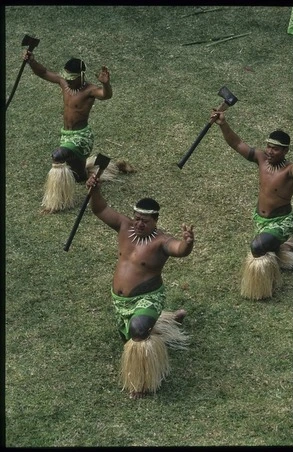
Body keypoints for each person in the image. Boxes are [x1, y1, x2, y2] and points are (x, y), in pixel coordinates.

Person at [86, 171, 194, 399]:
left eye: (145, 221)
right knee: (130, 336)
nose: (139, 224)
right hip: (121, 302)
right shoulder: (125, 227)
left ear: (155, 220)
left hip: (148, 297)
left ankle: (143, 383)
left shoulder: (162, 241)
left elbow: (179, 250)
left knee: (138, 332)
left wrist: (187, 243)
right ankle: (168, 320)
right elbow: (100, 209)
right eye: (136, 218)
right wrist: (95, 190)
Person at [23, 51, 135, 213]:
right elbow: (43, 72)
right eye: (66, 77)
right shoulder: (64, 84)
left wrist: (106, 84)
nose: (68, 80)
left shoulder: (89, 90)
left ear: (81, 75)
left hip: (82, 137)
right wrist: (31, 61)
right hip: (66, 135)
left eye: (72, 78)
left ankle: (57, 201)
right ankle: (93, 171)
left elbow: (105, 95)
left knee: (58, 156)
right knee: (78, 176)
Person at [211, 109, 293, 300]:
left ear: (286, 151)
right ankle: (290, 248)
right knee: (269, 246)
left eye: (276, 148)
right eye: (268, 146)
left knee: (257, 246)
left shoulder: (290, 170)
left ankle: (263, 289)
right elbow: (237, 143)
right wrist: (223, 124)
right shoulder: (261, 158)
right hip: (260, 220)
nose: (270, 151)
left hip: (281, 222)